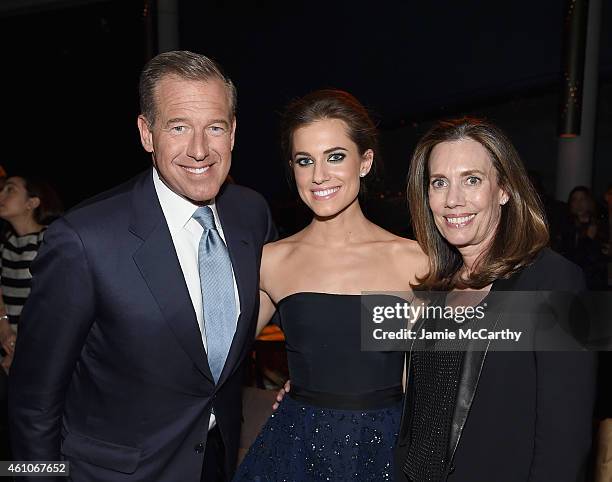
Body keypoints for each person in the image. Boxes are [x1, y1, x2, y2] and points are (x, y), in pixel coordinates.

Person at [9, 51, 276, 482]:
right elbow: (31, 399)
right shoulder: (83, 239)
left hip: (217, 462)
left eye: (215, 127)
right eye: (178, 127)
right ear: (146, 133)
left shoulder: (251, 213)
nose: (199, 150)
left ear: (233, 133)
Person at [234, 89, 428, 481]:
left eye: (335, 156)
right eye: (305, 161)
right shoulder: (273, 260)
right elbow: (215, 360)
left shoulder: (414, 260)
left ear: (365, 161)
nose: (319, 176)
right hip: (295, 449)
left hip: (386, 448)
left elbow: (423, 377)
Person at [394, 117, 596, 481]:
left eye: (472, 180)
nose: (453, 200)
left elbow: (565, 442)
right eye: (439, 183)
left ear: (504, 189)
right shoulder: (434, 286)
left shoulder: (555, 280)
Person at [0, 176, 63, 372]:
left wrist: (24, 345)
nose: (0, 195)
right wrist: (4, 329)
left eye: (10, 190)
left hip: (41, 349)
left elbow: (56, 300)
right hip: (8, 344)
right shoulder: (6, 242)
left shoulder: (50, 239)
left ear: (32, 203)